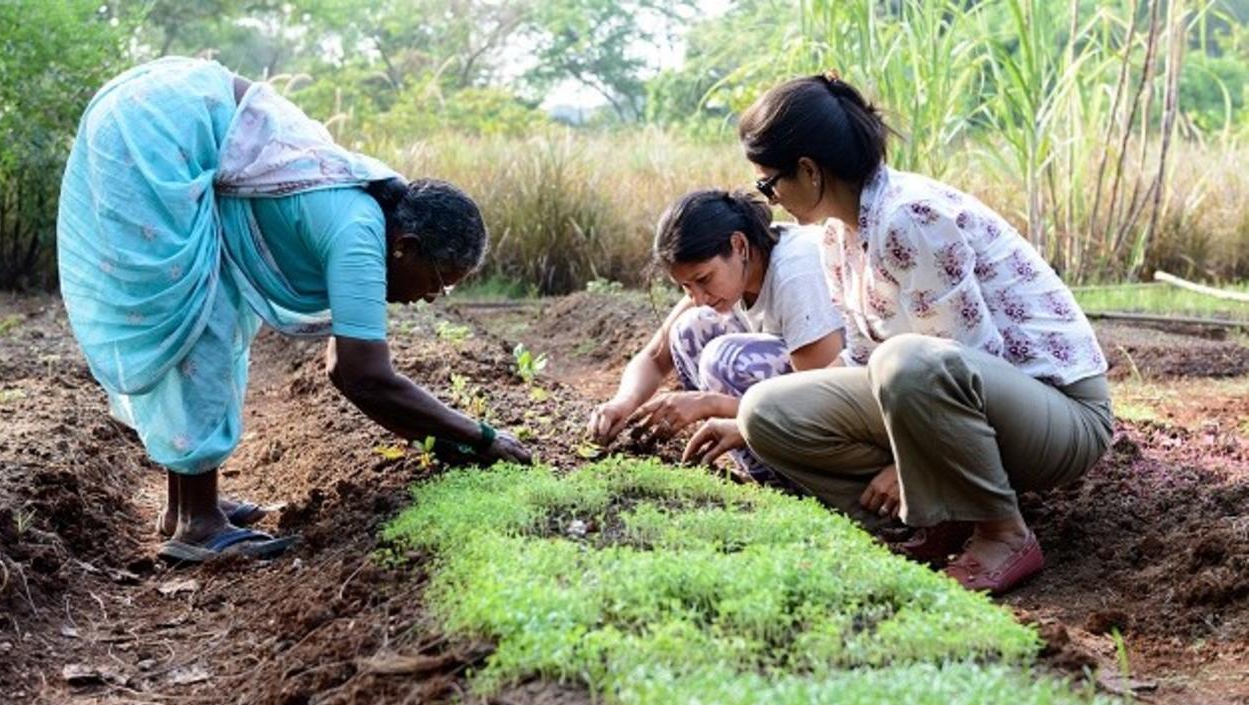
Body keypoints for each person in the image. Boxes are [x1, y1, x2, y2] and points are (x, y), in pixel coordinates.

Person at [57, 57, 530, 564]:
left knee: (218, 304)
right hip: (154, 125)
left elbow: (342, 368)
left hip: (164, 110)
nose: (433, 298)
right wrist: (480, 437)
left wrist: (451, 441)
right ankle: (198, 523)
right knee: (203, 314)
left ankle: (188, 506)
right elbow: (363, 374)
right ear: (407, 247)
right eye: (439, 282)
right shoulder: (359, 234)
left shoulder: (364, 211)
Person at [683, 74, 1113, 595]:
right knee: (766, 409)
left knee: (908, 360)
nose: (769, 201)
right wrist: (747, 426)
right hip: (963, 401)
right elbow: (861, 365)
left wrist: (908, 462)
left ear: (810, 171)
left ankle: (1002, 532)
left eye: (769, 184)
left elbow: (965, 359)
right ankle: (931, 521)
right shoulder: (838, 238)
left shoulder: (910, 215)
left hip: (1058, 412)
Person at [587, 190, 844, 481]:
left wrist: (709, 404)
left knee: (723, 359)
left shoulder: (796, 272)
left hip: (846, 422)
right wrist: (623, 403)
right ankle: (765, 473)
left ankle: (795, 483)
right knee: (688, 330)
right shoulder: (733, 275)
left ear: (739, 245)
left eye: (703, 279)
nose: (698, 297)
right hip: (797, 407)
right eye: (686, 287)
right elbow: (655, 359)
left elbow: (824, 401)